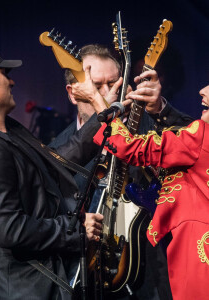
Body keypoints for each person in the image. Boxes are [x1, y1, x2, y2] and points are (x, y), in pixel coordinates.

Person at [0, 40, 104, 300]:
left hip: (43, 284)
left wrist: (105, 116)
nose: (12, 82)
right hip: (25, 290)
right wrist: (75, 229)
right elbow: (11, 229)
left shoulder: (7, 129)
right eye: (4, 74)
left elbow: (55, 161)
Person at [57, 44, 193, 299]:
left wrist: (160, 108)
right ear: (73, 94)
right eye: (97, 87)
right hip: (85, 282)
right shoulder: (58, 149)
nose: (108, 95)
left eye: (113, 85)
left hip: (148, 279)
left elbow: (195, 145)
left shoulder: (146, 126)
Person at [92, 84, 209, 300]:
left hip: (198, 245)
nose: (202, 90)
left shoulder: (201, 135)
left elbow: (132, 148)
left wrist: (98, 103)